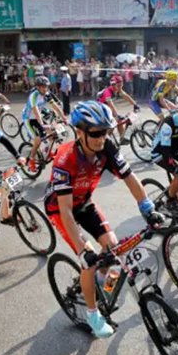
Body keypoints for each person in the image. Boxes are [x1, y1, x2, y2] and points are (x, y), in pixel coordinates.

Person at [44, 101, 162, 338]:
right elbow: (65, 209)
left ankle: (99, 281)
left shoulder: (107, 147)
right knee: (88, 260)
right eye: (96, 133)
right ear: (79, 133)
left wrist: (147, 207)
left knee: (113, 247)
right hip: (61, 209)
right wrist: (81, 250)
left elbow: (130, 177)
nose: (102, 138)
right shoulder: (65, 159)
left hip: (84, 203)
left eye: (106, 132)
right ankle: (92, 314)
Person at [21, 76, 66, 174]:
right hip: (28, 119)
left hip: (38, 119)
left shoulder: (47, 94)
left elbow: (55, 106)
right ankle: (31, 160)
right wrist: (42, 123)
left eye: (46, 86)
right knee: (37, 140)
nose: (45, 89)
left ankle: (48, 153)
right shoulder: (33, 95)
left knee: (52, 135)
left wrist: (64, 117)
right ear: (38, 87)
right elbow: (35, 110)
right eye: (43, 87)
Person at [97, 75, 139, 143]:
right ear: (113, 85)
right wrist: (116, 115)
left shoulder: (118, 89)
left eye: (121, 85)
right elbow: (110, 104)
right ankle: (105, 140)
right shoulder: (107, 92)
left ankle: (122, 139)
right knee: (113, 123)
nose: (120, 87)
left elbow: (126, 96)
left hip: (107, 107)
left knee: (119, 120)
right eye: (119, 85)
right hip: (100, 109)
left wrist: (135, 104)